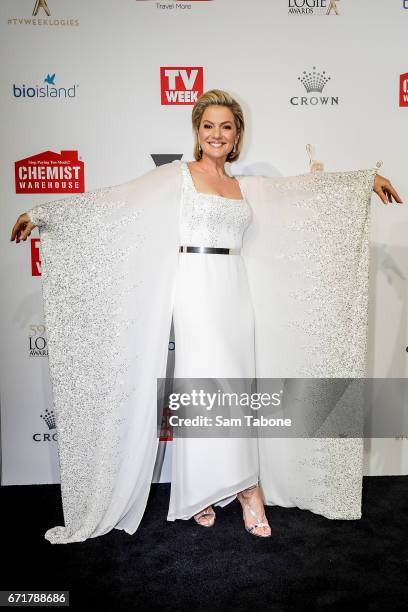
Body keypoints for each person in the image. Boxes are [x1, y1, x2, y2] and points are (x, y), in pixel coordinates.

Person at [10, 89, 402, 544]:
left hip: (235, 288)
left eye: (226, 127)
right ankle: (209, 491)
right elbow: (115, 202)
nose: (217, 134)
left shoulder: (245, 186)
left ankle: (242, 488)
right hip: (194, 289)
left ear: (237, 137)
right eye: (208, 125)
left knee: (238, 383)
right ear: (197, 132)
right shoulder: (177, 177)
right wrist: (43, 213)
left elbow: (301, 192)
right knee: (203, 383)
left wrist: (361, 183)